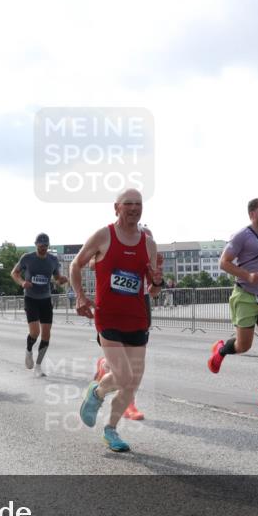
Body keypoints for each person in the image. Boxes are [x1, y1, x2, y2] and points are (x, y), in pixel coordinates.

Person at [71, 188, 163, 452]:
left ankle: (110, 430)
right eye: (128, 204)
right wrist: (80, 296)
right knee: (123, 376)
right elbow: (75, 264)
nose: (134, 208)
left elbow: (152, 290)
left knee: (133, 381)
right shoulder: (104, 235)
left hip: (137, 317)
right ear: (117, 207)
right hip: (108, 316)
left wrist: (157, 281)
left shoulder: (148, 242)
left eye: (139, 204)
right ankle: (97, 392)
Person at [206, 198, 258, 409]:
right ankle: (221, 350)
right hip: (244, 295)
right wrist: (247, 275)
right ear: (252, 213)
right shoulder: (241, 236)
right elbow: (223, 262)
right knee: (243, 345)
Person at [92, 226, 163, 420]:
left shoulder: (151, 253)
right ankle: (128, 404)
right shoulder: (112, 243)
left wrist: (157, 281)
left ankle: (106, 367)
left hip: (140, 306)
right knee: (125, 366)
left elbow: (154, 289)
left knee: (135, 364)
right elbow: (93, 263)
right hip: (112, 309)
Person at [11, 233, 68, 377]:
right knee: (35, 332)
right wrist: (22, 282)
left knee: (47, 334)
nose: (43, 248)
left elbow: (56, 278)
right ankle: (28, 350)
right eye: (41, 246)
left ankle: (38, 366)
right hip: (31, 298)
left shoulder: (53, 260)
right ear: (36, 244)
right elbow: (14, 273)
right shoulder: (27, 258)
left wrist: (61, 279)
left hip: (45, 299)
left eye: (46, 246)